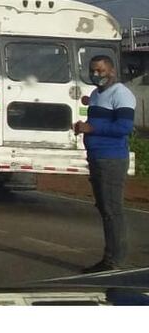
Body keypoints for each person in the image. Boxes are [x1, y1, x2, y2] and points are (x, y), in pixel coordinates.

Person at [73, 54, 135, 272]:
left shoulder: (122, 94)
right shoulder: (96, 95)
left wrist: (93, 129)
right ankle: (110, 258)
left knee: (112, 210)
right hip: (97, 156)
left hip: (112, 158)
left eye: (100, 70)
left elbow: (124, 128)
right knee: (104, 208)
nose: (96, 75)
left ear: (112, 71)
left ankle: (114, 262)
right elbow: (96, 123)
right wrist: (84, 127)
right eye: (92, 70)